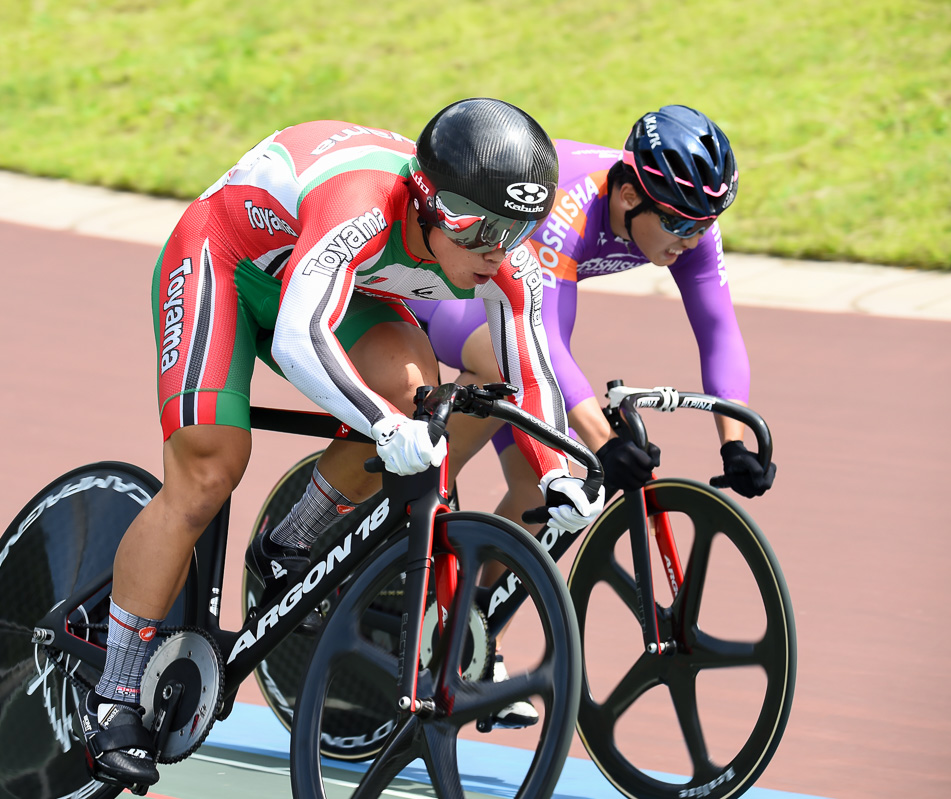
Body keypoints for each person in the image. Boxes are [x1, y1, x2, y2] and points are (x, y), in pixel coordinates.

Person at [79, 97, 605, 788]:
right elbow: (302, 337)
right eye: (481, 230)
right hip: (226, 262)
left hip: (327, 280)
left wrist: (558, 471)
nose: (497, 251)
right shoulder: (362, 203)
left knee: (419, 393)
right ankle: (114, 692)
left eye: (517, 230)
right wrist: (383, 429)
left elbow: (528, 369)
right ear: (427, 202)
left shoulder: (505, 254)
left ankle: (289, 542)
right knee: (209, 471)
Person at [409, 104, 779, 728]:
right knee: (507, 368)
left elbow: (718, 330)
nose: (690, 240)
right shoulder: (569, 208)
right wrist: (602, 439)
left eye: (705, 225)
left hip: (512, 303)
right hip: (450, 282)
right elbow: (545, 342)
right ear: (631, 194)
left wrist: (735, 440)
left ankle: (457, 628)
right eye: (679, 224)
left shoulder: (679, 218)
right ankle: (416, 501)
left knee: (535, 487)